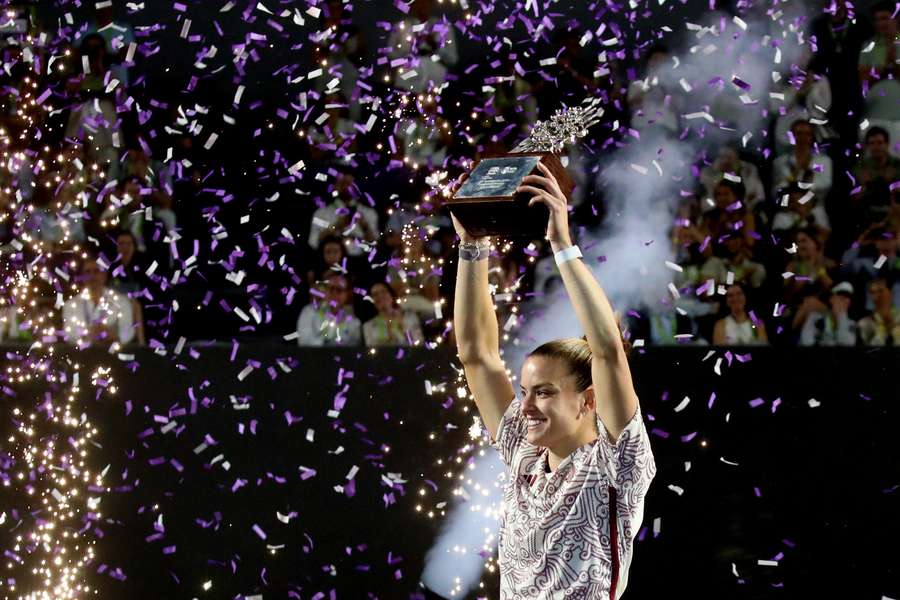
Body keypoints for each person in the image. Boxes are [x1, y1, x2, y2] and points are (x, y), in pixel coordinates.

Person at [450, 162, 655, 598]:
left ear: (588, 400)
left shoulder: (616, 466)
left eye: (544, 393)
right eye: (526, 391)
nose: (524, 407)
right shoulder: (523, 453)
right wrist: (472, 246)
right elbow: (477, 355)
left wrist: (562, 245)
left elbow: (607, 350)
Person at [62, 255, 139, 347]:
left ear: (104, 275)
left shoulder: (121, 301)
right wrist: (86, 336)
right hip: (82, 354)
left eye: (96, 271)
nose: (92, 276)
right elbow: (68, 334)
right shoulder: (70, 304)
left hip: (113, 352)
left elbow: (128, 332)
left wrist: (112, 336)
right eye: (88, 272)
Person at [858, 1, 900, 145]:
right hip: (872, 116)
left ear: (896, 19)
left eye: (885, 18)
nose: (880, 23)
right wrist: (884, 65)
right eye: (877, 19)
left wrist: (893, 63)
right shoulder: (868, 46)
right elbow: (862, 79)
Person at [296, 272, 361, 347]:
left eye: (339, 290)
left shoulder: (354, 321)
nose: (334, 293)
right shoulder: (309, 311)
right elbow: (304, 342)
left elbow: (353, 346)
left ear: (348, 294)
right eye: (330, 289)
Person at [362, 281, 424, 347]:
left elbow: (418, 343)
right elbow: (371, 350)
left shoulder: (409, 317)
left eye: (383, 291)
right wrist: (389, 339)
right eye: (375, 294)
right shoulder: (368, 326)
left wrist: (403, 327)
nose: (380, 296)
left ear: (391, 295)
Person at [798, 282, 858, 346]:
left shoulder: (851, 324)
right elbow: (806, 343)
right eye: (840, 295)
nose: (844, 299)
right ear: (831, 299)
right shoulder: (816, 317)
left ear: (850, 302)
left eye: (848, 296)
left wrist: (841, 316)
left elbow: (847, 345)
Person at [857, 277, 900, 345]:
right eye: (872, 292)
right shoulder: (864, 324)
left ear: (891, 293)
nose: (876, 297)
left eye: (881, 291)